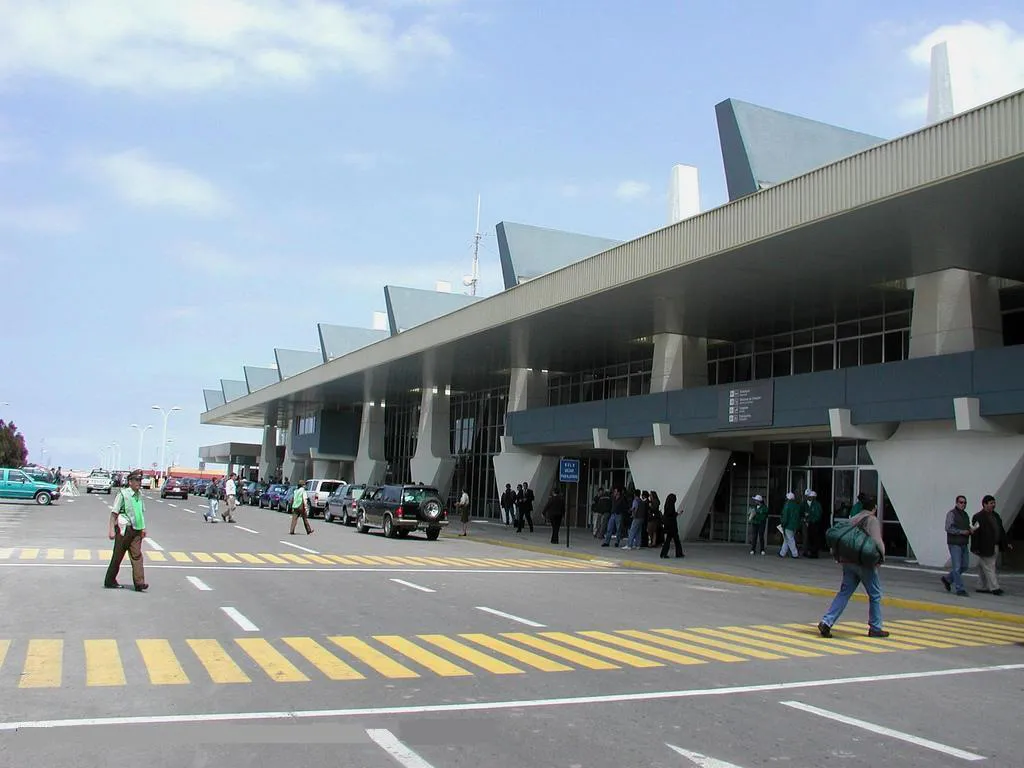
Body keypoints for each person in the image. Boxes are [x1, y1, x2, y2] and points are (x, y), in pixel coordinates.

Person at [817, 496, 888, 638]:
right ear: (874, 508)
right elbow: (877, 541)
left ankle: (827, 621)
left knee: (844, 593)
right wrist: (882, 557)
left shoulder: (854, 518)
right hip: (864, 563)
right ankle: (875, 627)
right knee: (875, 594)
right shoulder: (872, 520)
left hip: (848, 562)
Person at [104, 470, 149, 592]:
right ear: (130, 482)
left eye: (140, 480)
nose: (139, 483)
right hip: (124, 530)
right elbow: (114, 513)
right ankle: (110, 580)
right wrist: (111, 530)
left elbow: (140, 513)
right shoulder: (123, 494)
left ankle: (139, 583)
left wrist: (143, 528)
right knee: (118, 556)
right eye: (137, 480)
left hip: (136, 531)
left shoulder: (139, 495)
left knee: (137, 556)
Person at [971, 494, 1012, 595]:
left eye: (994, 503)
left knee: (983, 567)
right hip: (984, 547)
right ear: (984, 504)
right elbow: (975, 533)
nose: (993, 505)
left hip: (995, 546)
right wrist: (975, 548)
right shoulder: (978, 517)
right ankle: (995, 587)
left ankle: (981, 586)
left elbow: (1001, 530)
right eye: (991, 503)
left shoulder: (996, 516)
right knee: (990, 567)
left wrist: (1006, 543)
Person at [941, 494, 971, 596]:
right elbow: (948, 528)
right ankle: (960, 589)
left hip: (963, 543)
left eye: (965, 502)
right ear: (957, 503)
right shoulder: (951, 514)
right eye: (961, 502)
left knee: (964, 565)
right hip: (954, 543)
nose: (963, 504)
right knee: (957, 567)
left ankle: (948, 579)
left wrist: (970, 530)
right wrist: (962, 532)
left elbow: (966, 526)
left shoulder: (965, 515)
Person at [660, 493, 684, 558]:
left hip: (668, 525)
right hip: (672, 525)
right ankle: (679, 553)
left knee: (668, 540)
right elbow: (672, 514)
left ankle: (663, 553)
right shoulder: (671, 506)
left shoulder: (667, 505)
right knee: (676, 540)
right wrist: (677, 513)